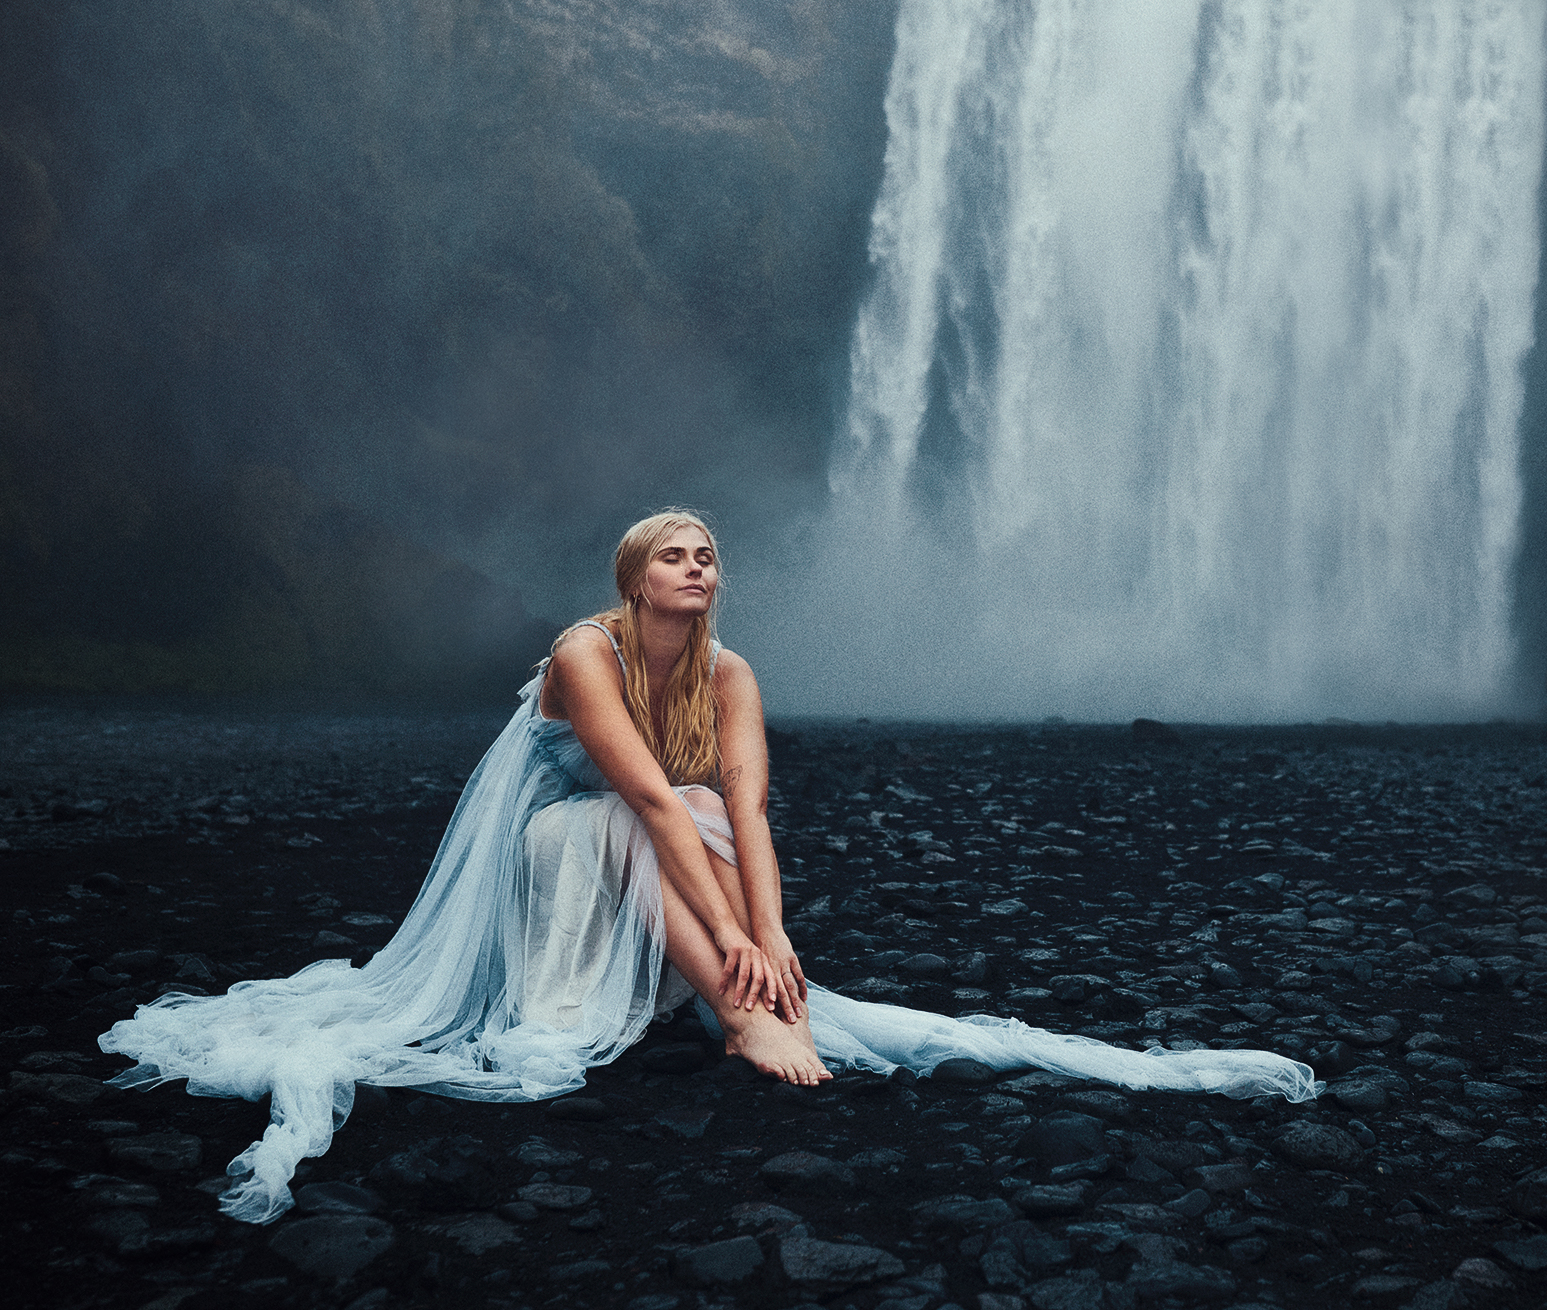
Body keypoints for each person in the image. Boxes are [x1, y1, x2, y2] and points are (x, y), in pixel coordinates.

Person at [101, 508, 1319, 1226]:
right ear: (635, 577)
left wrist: (773, 934)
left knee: (700, 806)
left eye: (711, 554)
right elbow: (631, 790)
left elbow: (747, 803)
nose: (701, 566)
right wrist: (745, 955)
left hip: (671, 840)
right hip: (561, 841)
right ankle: (742, 1021)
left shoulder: (730, 672)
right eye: (678, 553)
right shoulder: (587, 655)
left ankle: (751, 991)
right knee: (651, 808)